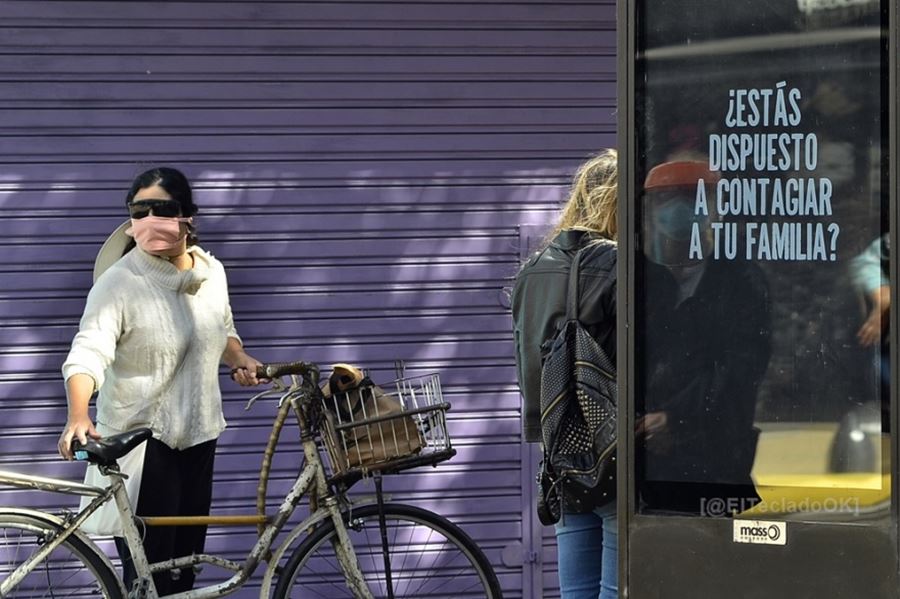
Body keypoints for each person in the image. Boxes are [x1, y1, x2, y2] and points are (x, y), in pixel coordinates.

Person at [58, 167, 264, 594]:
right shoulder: (119, 283)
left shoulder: (211, 274)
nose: (151, 218)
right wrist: (78, 413)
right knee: (151, 578)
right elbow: (88, 351)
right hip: (143, 447)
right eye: (140, 210)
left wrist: (238, 357)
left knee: (186, 571)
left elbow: (221, 328)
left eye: (163, 209)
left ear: (188, 216)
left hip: (200, 437)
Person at [512, 149, 618, 599]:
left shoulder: (532, 270)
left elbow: (526, 365)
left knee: (575, 592)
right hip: (615, 446)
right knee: (618, 588)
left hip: (561, 448)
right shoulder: (620, 265)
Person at [637, 160, 771, 515]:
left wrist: (676, 418)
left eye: (692, 198)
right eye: (666, 199)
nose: (678, 209)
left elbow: (742, 367)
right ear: (649, 209)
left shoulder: (740, 279)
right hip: (646, 465)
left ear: (712, 209)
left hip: (715, 460)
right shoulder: (640, 278)